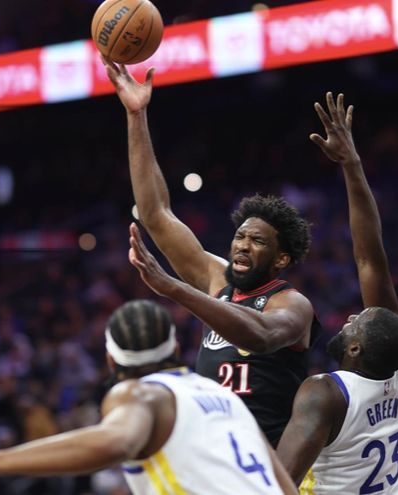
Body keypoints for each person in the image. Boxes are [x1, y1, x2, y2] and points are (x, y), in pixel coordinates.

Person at [105, 61, 321, 446]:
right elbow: (156, 214)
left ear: (281, 259)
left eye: (258, 241)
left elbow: (260, 336)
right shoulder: (216, 279)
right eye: (240, 236)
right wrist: (136, 115)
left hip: (267, 458)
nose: (242, 245)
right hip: (213, 449)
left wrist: (173, 287)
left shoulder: (291, 304)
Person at [0, 300, 298, 495]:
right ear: (176, 347)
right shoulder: (223, 395)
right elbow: (286, 487)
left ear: (111, 360)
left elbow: (117, 441)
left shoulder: (138, 392)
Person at [274, 92, 398, 494]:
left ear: (355, 349)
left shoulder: (325, 393)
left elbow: (276, 484)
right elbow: (371, 260)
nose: (351, 317)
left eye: (356, 323)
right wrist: (352, 165)